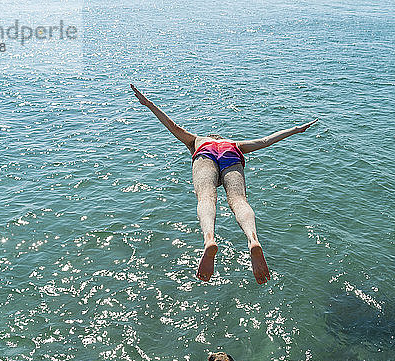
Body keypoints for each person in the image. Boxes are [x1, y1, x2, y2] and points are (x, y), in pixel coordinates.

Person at [130, 84, 317, 284]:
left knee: (206, 197)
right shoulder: (234, 143)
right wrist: (296, 130)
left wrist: (148, 104)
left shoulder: (197, 140)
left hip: (205, 155)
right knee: (239, 200)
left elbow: (174, 127)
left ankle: (209, 239)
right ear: (221, 137)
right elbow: (265, 140)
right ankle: (253, 240)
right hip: (232, 155)